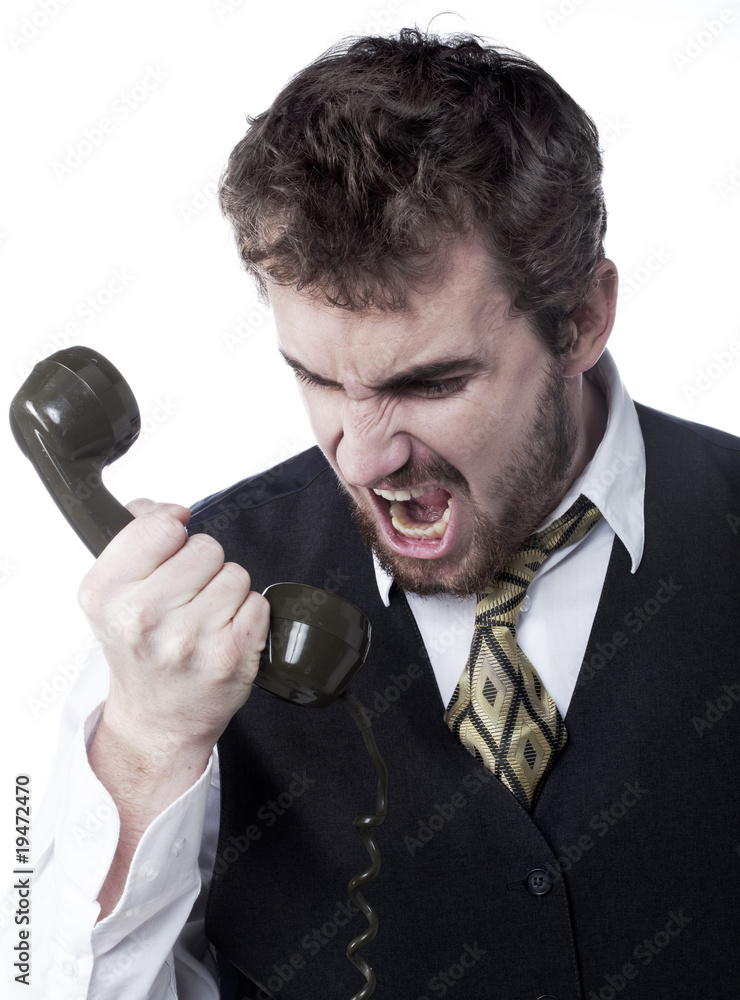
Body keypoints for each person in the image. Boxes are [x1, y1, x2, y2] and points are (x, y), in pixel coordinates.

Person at [10, 27, 740, 1000]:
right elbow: (40, 974)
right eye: (315, 377)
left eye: (428, 382)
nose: (359, 458)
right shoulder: (186, 614)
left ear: (580, 321)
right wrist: (144, 748)